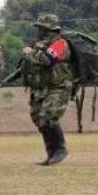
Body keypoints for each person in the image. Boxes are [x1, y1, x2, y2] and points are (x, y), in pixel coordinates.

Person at [21, 14, 73, 166]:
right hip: (41, 89)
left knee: (48, 114)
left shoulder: (60, 44)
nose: (37, 30)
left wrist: (28, 53)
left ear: (49, 29)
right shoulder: (38, 44)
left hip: (58, 88)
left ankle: (60, 149)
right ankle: (51, 153)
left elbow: (45, 60)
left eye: (40, 27)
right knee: (39, 118)